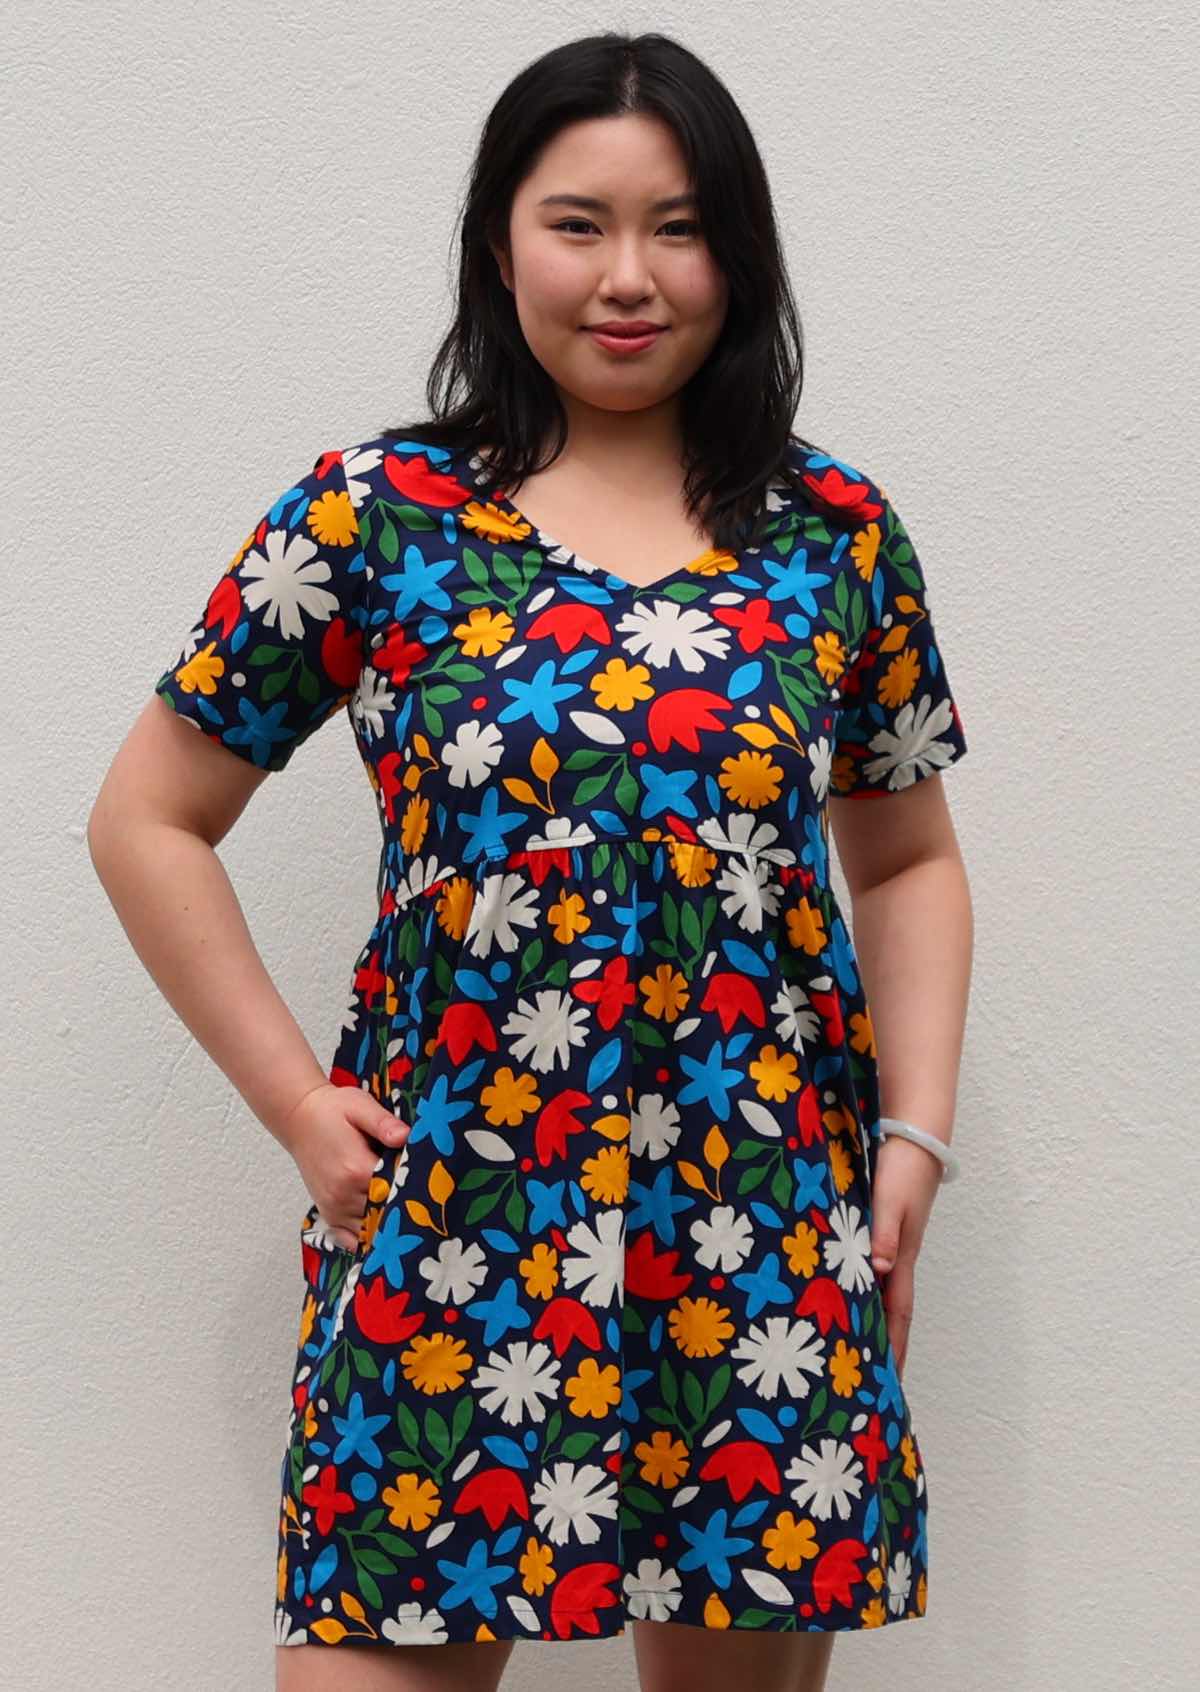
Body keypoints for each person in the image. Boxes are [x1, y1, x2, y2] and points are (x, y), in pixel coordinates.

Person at [88, 29, 973, 1692]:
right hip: (452, 1220)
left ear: (743, 252)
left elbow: (908, 849)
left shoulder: (835, 534)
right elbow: (147, 818)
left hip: (760, 1232)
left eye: (683, 226)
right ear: (501, 244)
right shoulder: (374, 514)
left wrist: (911, 1140)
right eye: (579, 223)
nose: (629, 277)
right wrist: (296, 1104)